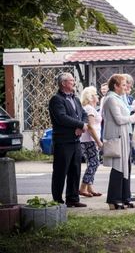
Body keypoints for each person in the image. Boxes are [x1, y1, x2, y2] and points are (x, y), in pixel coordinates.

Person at [101, 74, 135, 210]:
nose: (126, 86)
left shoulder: (118, 98)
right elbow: (120, 119)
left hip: (124, 136)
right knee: (118, 168)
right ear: (115, 86)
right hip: (117, 136)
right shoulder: (110, 99)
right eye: (123, 84)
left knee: (126, 167)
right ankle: (114, 199)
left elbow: (125, 112)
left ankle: (125, 196)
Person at [48, 72, 88, 207]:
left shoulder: (75, 99)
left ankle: (73, 199)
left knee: (75, 170)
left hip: (76, 140)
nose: (74, 82)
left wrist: (82, 125)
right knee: (60, 171)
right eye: (71, 80)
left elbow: (84, 114)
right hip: (63, 141)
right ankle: (57, 200)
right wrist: (79, 125)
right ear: (63, 83)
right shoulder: (56, 99)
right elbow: (61, 117)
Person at [79, 86, 103, 198]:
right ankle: (83, 187)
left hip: (88, 140)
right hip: (90, 140)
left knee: (91, 163)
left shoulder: (89, 108)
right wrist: (98, 142)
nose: (98, 96)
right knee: (94, 163)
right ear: (91, 97)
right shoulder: (89, 109)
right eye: (96, 94)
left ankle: (89, 187)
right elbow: (90, 127)